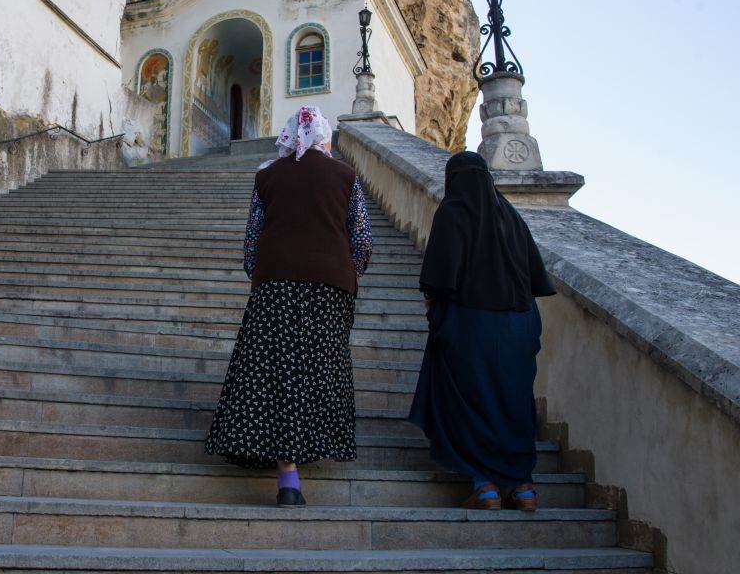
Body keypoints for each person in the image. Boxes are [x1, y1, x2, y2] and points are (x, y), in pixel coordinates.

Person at [203, 106, 373, 507]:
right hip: (331, 288)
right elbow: (362, 240)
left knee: (275, 372)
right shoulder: (346, 176)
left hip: (275, 284)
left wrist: (264, 272)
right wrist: (346, 272)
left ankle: (288, 474)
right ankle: (308, 445)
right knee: (318, 368)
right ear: (322, 136)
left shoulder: (267, 176)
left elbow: (251, 243)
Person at [408, 151, 556, 511]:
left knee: (472, 399)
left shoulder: (455, 210)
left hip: (471, 322)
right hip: (520, 324)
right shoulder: (511, 215)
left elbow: (441, 277)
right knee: (513, 400)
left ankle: (484, 486)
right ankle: (523, 488)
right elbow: (534, 274)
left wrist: (435, 309)